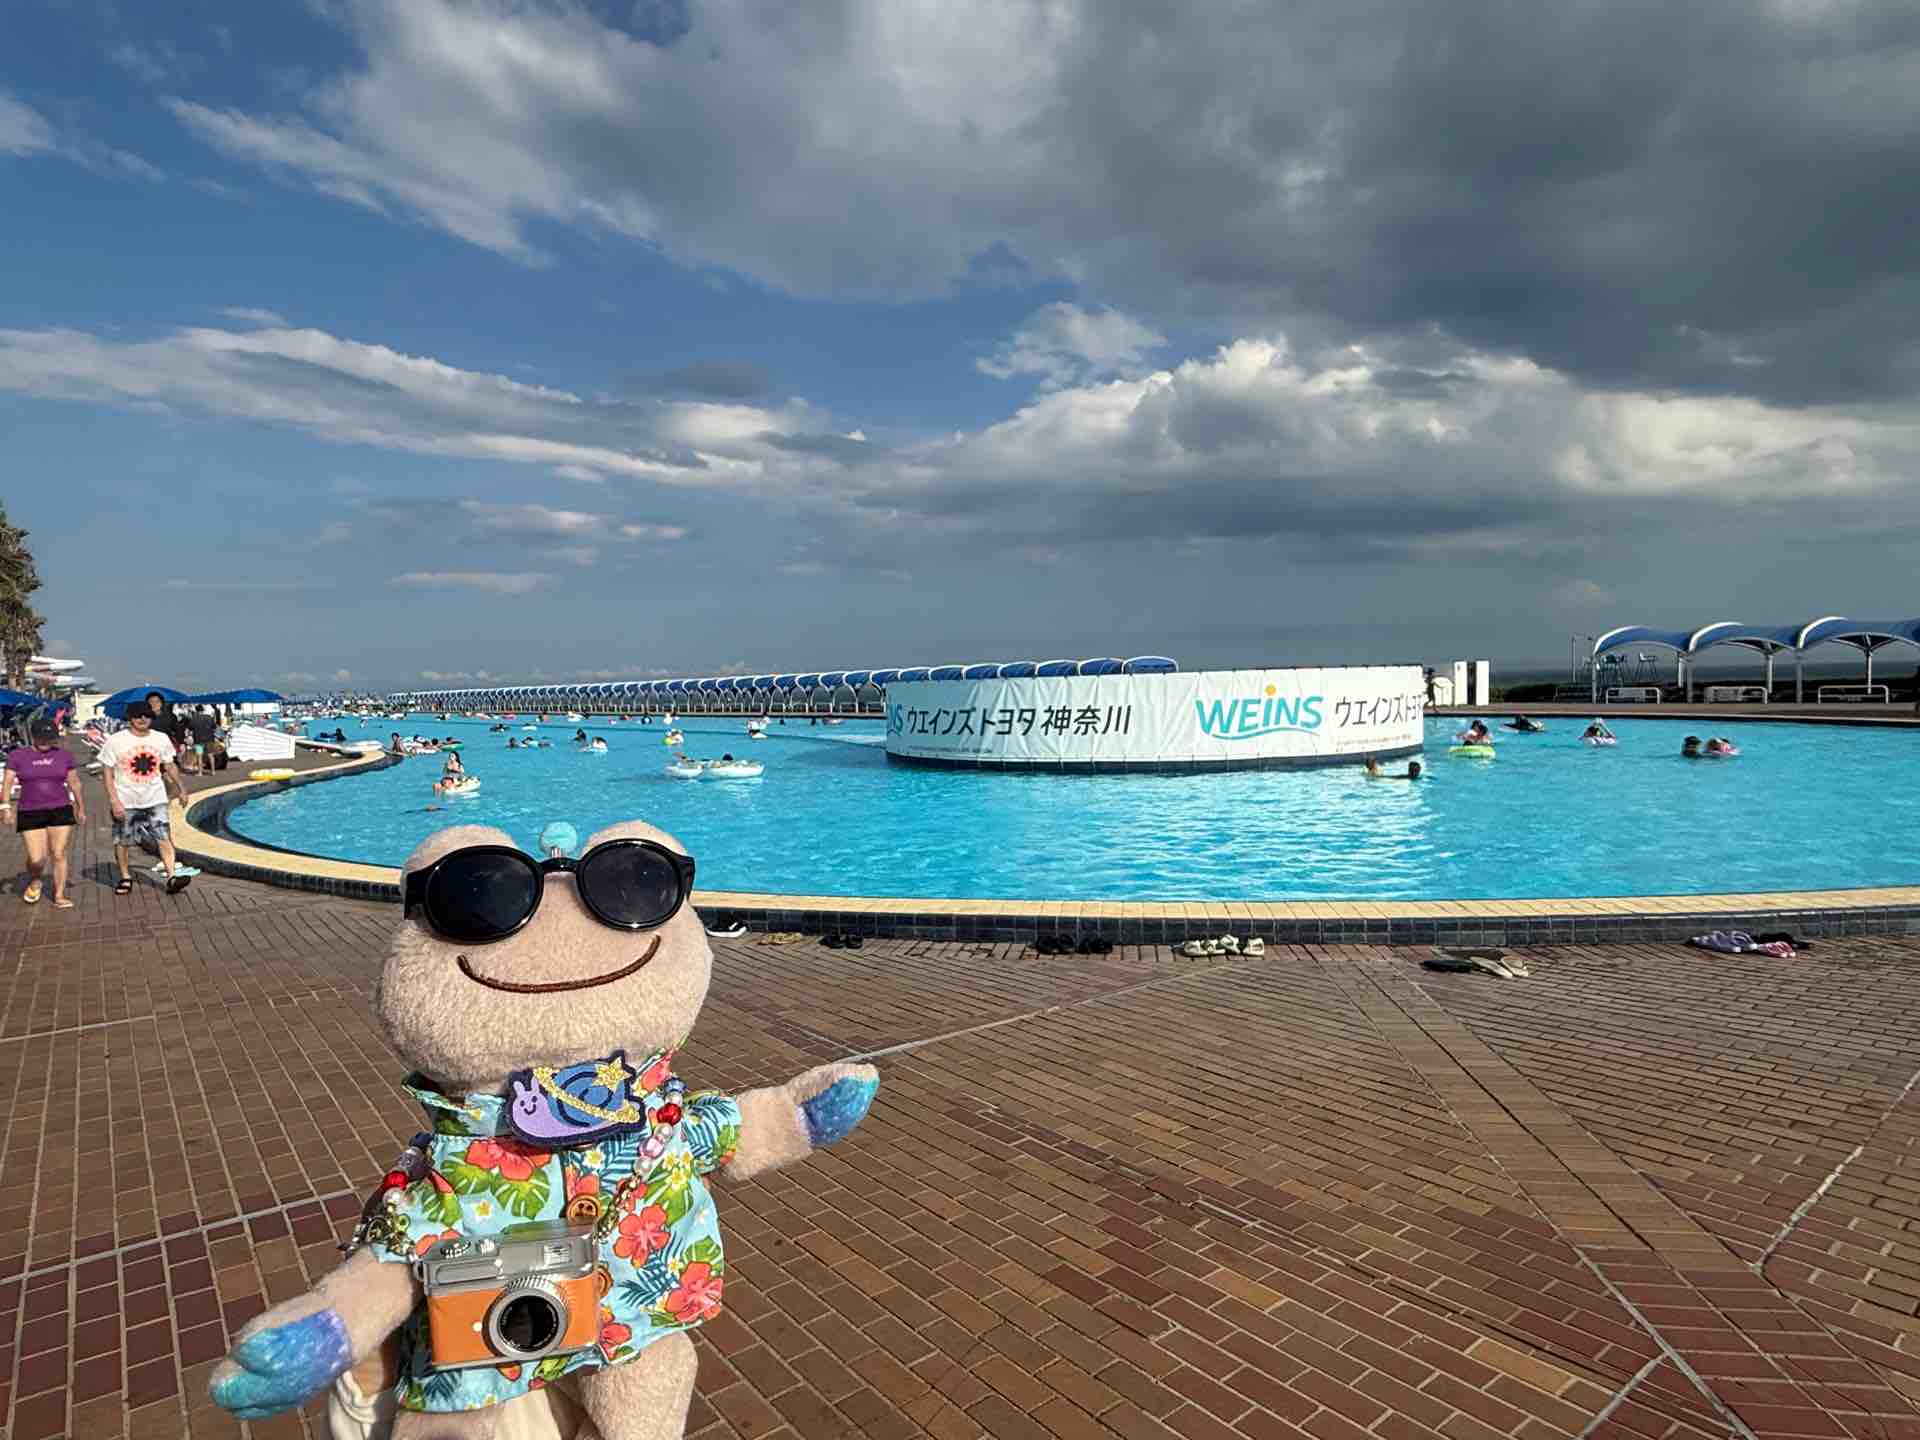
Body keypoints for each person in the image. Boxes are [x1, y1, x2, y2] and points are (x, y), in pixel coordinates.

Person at [99, 704, 193, 894]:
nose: (142, 719)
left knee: (163, 837)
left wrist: (182, 789)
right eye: (137, 716)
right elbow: (107, 772)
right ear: (130, 718)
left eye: (147, 716)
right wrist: (114, 800)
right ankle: (125, 877)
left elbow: (169, 765)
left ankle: (172, 877)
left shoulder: (161, 738)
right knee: (123, 841)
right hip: (126, 800)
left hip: (155, 798)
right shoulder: (116, 740)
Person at [3, 715, 86, 908]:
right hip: (30, 810)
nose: (45, 742)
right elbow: (7, 782)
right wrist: (5, 807)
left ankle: (59, 895)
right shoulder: (17, 756)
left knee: (58, 853)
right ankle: (35, 880)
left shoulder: (64, 756)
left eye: (49, 739)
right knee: (37, 858)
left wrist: (81, 807)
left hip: (60, 808)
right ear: (33, 736)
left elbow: (74, 782)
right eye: (41, 738)